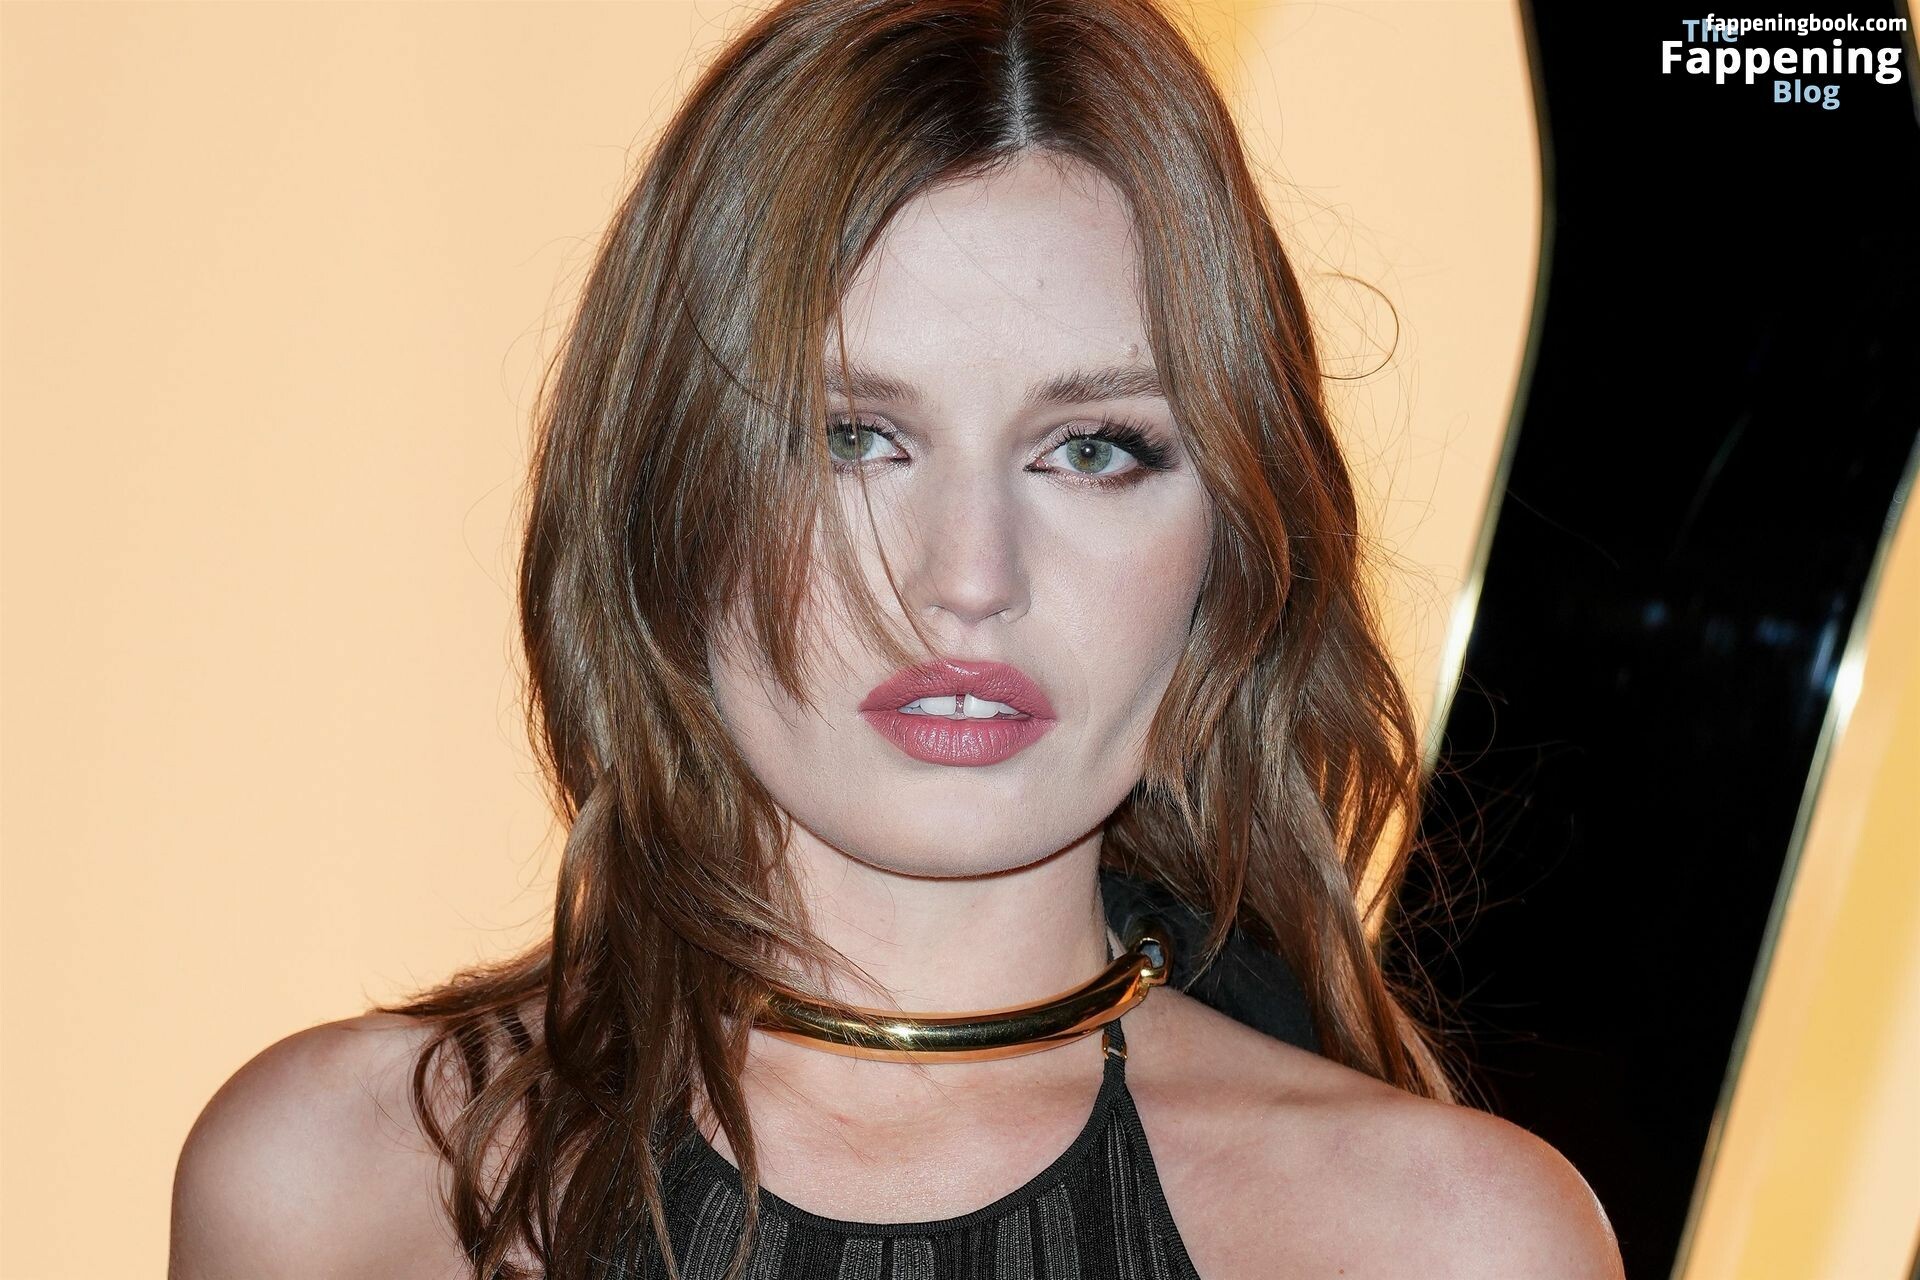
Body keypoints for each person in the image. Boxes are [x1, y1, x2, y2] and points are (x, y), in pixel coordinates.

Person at [169, 1, 1625, 1276]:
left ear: (1239, 546)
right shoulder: (333, 1182)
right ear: (665, 495)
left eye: (1092, 450)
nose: (967, 581)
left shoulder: (1450, 1242)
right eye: (851, 437)